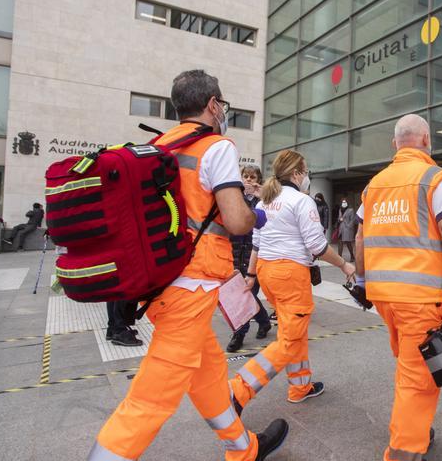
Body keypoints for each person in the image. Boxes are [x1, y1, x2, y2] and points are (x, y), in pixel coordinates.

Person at [87, 70, 287, 461]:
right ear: (213, 104)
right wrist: (254, 215)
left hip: (159, 280)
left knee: (209, 373)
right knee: (151, 398)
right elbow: (234, 219)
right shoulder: (216, 147)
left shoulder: (157, 147)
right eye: (223, 104)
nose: (223, 111)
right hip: (192, 284)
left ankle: (243, 448)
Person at [353, 114, 442, 461]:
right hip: (419, 299)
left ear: (395, 144)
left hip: (384, 298)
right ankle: (402, 450)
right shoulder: (435, 178)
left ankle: (411, 428)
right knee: (421, 378)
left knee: (410, 366)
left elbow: (359, 235)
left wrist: (363, 280)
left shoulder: (375, 184)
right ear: (427, 141)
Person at [229, 150, 356, 410]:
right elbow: (317, 246)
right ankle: (237, 390)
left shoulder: (265, 201)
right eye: (306, 171)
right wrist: (344, 264)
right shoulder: (301, 201)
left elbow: (257, 244)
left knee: (293, 332)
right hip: (290, 275)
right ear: (297, 173)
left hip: (267, 271)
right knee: (288, 340)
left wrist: (252, 275)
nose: (307, 176)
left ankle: (300, 386)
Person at [226, 165, 272, 353]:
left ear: (258, 179)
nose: (249, 180)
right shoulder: (234, 198)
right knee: (245, 296)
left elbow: (267, 223)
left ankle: (240, 334)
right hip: (236, 255)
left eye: (253, 177)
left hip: (256, 257)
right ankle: (264, 322)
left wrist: (261, 197)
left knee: (247, 296)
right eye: (245, 176)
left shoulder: (264, 201)